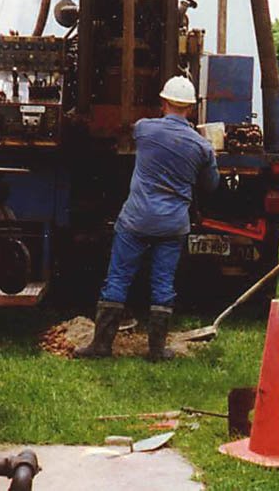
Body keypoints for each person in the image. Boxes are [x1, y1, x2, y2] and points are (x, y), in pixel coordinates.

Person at [74, 76, 220, 361]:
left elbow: (127, 133)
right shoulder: (202, 147)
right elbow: (210, 185)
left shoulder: (145, 130)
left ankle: (101, 346)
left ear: (164, 103)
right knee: (163, 283)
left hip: (136, 220)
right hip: (173, 224)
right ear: (191, 108)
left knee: (118, 278)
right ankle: (157, 350)